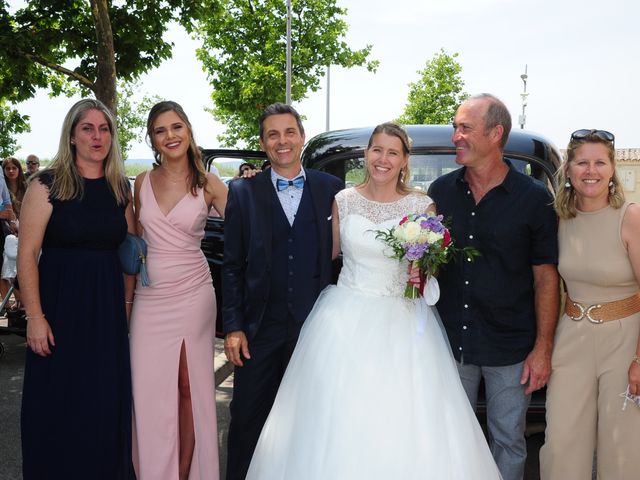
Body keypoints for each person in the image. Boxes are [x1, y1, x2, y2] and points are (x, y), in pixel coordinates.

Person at [246, 122, 501, 479]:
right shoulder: (343, 200)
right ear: (366, 154)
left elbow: (430, 269)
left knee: (402, 418)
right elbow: (327, 255)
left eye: (392, 152)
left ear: (404, 160)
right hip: (345, 318)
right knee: (336, 418)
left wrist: (422, 272)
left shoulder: (422, 205)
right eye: (377, 150)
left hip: (403, 321)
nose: (383, 159)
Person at [427, 93, 559, 480]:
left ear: (495, 133)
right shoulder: (440, 192)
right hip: (451, 344)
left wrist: (543, 349)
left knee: (509, 440)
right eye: (455, 127)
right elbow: (428, 268)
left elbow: (545, 277)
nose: (456, 136)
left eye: (465, 128)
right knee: (453, 438)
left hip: (511, 348)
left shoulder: (535, 199)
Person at [223, 102, 343, 480]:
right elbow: (232, 266)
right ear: (263, 143)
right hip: (259, 329)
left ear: (302, 137)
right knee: (246, 420)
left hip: (315, 328)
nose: (282, 141)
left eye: (289, 132)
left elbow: (343, 259)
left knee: (310, 422)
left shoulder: (332, 190)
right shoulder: (242, 192)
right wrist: (233, 326)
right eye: (273, 134)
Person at [18, 98, 136, 479]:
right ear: (72, 136)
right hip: (59, 310)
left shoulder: (120, 188)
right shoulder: (46, 185)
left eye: (104, 129)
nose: (97, 136)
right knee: (57, 403)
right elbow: (27, 255)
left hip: (106, 313)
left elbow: (132, 253)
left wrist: (127, 308)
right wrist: (35, 318)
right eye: (88, 128)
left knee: (103, 404)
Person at [130, 100, 228, 480]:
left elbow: (246, 236)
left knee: (190, 388)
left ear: (188, 131)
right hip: (150, 297)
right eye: (160, 130)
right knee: (151, 390)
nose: (169, 136)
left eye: (176, 127)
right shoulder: (141, 183)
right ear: (153, 140)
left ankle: (186, 473)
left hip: (193, 292)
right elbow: (134, 241)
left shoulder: (210, 185)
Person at [539, 129, 640, 480]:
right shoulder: (558, 219)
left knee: (623, 446)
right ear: (568, 169)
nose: (590, 170)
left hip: (626, 340)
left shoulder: (630, 217)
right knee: (561, 443)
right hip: (572, 338)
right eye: (582, 162)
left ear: (612, 169)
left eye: (600, 162)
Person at [1, 157, 27, 305]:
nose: (11, 171)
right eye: (7, 168)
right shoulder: (2, 189)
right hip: (7, 232)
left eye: (14, 168)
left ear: (19, 169)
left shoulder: (28, 187)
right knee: (10, 266)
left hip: (28, 231)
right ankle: (17, 302)